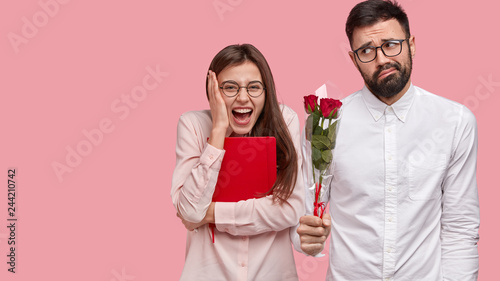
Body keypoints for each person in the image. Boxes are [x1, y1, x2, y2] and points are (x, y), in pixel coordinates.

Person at [293, 0, 480, 280]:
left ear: (411, 44)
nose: (381, 59)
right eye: (367, 51)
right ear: (354, 58)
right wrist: (305, 239)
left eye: (391, 44)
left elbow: (460, 226)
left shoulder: (454, 121)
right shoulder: (325, 124)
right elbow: (302, 217)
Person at [171, 43, 305, 280]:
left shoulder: (285, 120)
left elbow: (290, 210)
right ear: (213, 90)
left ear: (267, 90)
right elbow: (191, 211)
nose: (243, 97)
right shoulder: (192, 124)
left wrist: (212, 213)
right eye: (230, 88)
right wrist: (219, 130)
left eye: (254, 87)